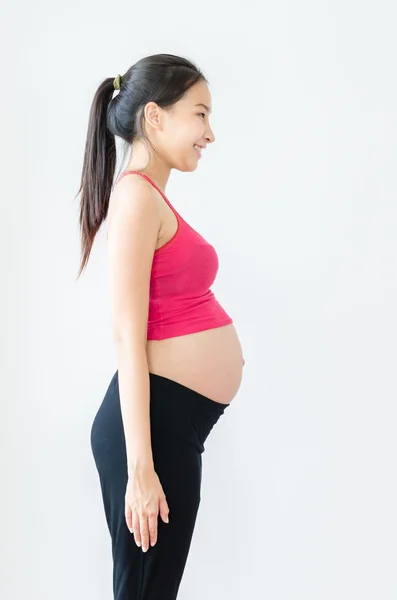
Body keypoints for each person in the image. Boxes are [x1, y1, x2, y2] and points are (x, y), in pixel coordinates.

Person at [75, 53, 245, 599]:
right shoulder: (134, 199)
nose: (209, 133)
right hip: (150, 428)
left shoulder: (149, 198)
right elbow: (127, 337)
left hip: (171, 424)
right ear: (155, 115)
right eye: (200, 114)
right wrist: (140, 470)